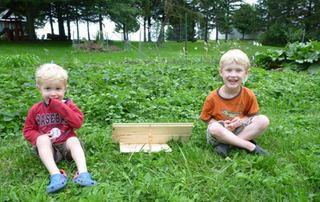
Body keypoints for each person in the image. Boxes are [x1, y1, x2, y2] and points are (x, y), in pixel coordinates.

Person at [23, 64, 97, 193]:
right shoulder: (36, 109)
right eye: (47, 89)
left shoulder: (68, 105)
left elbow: (77, 123)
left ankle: (83, 173)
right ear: (39, 89)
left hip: (66, 146)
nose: (53, 94)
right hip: (49, 149)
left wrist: (62, 108)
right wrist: (40, 137)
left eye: (58, 89)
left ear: (65, 89)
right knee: (41, 140)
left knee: (74, 140)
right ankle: (56, 175)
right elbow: (27, 130)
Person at [200, 49, 270, 158]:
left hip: (240, 129)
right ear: (221, 72)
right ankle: (249, 146)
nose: (233, 75)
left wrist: (241, 120)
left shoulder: (249, 94)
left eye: (238, 70)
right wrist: (222, 125)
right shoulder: (212, 97)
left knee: (263, 120)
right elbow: (206, 118)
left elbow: (250, 115)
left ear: (246, 73)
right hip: (221, 133)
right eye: (228, 70)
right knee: (214, 128)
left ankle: (228, 145)